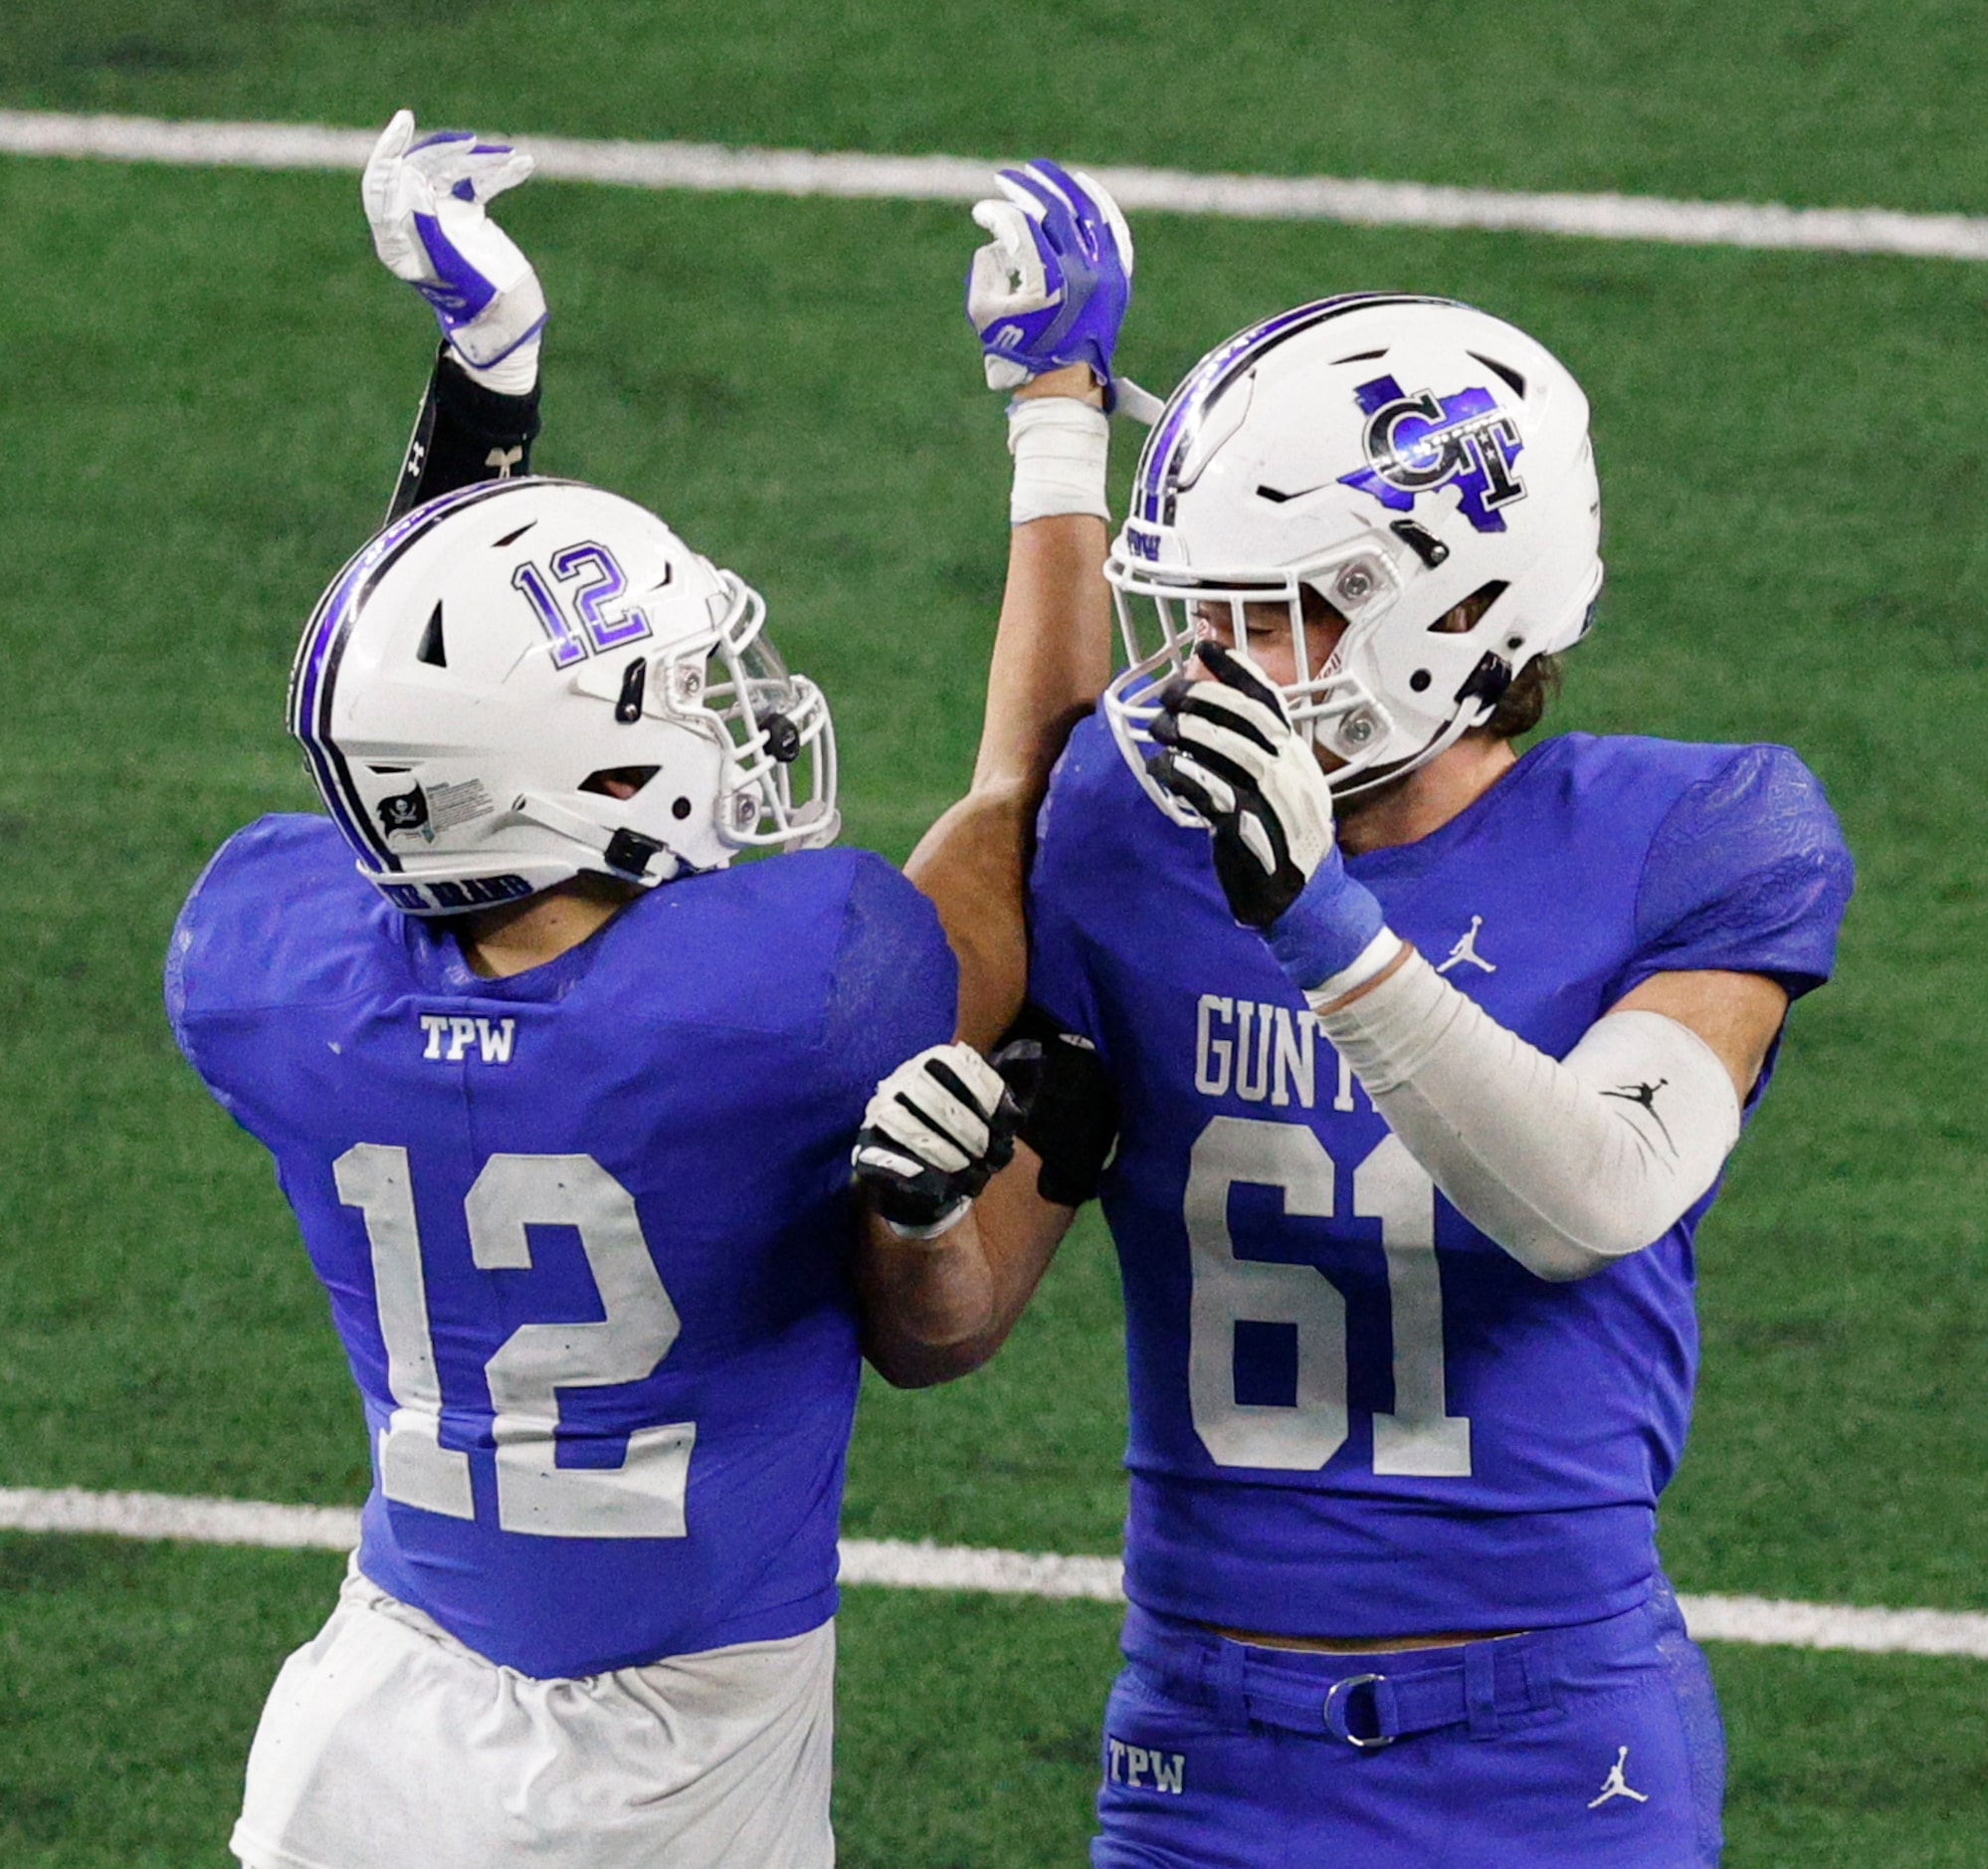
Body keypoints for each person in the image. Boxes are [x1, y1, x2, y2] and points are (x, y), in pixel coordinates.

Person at [165, 112, 1133, 1869]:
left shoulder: (274, 977)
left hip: (368, 1739)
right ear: (587, 779)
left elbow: (406, 735)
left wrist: (483, 394)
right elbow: (1032, 804)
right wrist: (1059, 409)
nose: (716, 705)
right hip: (663, 1777)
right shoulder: (788, 995)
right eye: (672, 687)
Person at [853, 284, 1856, 1865]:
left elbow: (1598, 1194)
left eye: (1277, 610)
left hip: (1552, 1740)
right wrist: (914, 1224)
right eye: (1202, 613)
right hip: (1200, 1739)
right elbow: (943, 1337)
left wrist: (1321, 925)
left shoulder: (1703, 832)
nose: (1217, 664)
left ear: (1461, 604)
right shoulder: (1131, 815)